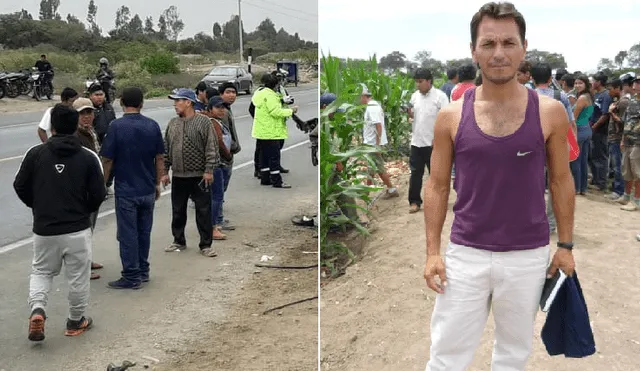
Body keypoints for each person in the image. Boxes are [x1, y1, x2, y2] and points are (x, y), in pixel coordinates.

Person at [423, 3, 576, 370]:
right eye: (488, 43)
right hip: (466, 253)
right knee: (446, 354)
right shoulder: (451, 116)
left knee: (513, 354)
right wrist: (432, 252)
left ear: (524, 48)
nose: (499, 53)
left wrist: (566, 245)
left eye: (509, 42)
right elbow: (438, 185)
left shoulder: (549, 112)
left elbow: (560, 180)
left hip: (528, 255)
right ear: (473, 50)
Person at [14, 104, 106, 341]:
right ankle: (75, 321)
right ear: (76, 126)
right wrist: (83, 211)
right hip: (77, 228)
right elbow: (99, 193)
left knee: (42, 271)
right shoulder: (88, 156)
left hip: (44, 229)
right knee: (78, 276)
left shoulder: (35, 154)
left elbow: (20, 186)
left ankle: (38, 310)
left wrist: (38, 206)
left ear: (52, 126)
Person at [99, 87, 166, 288]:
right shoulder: (152, 125)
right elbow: (160, 157)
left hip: (126, 190)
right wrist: (157, 182)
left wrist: (103, 184)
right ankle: (143, 271)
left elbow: (107, 159)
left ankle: (131, 276)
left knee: (128, 234)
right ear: (142, 103)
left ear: (121, 103)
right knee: (144, 232)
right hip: (147, 189)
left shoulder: (116, 127)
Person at [162, 88, 220, 257]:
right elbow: (167, 149)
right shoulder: (173, 123)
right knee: (178, 210)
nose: (175, 105)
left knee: (203, 211)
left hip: (200, 176)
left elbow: (211, 147)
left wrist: (209, 170)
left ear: (188, 102)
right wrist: (165, 171)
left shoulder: (203, 122)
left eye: (178, 101)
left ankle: (206, 244)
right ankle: (178, 240)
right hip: (179, 175)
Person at [531, 62, 576, 235]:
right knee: (557, 182)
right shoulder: (561, 96)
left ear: (532, 78)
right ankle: (550, 223)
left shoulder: (527, 96)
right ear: (550, 78)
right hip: (558, 144)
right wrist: (573, 145)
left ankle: (535, 219)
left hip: (534, 146)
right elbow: (571, 123)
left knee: (535, 183)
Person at [407, 68, 449, 213]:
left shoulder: (440, 97)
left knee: (436, 175)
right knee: (415, 174)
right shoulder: (414, 97)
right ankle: (414, 202)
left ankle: (438, 202)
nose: (417, 85)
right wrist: (409, 114)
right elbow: (413, 117)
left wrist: (440, 139)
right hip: (416, 141)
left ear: (429, 81)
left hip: (434, 143)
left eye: (420, 82)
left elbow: (446, 119)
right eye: (416, 82)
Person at [73, 97, 105, 280]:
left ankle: (87, 260)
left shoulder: (90, 132)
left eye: (89, 112)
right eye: (82, 114)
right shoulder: (75, 136)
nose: (86, 117)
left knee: (89, 228)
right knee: (82, 230)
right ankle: (81, 266)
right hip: (82, 190)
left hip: (94, 187)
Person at [251, 74, 297, 188]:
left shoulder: (259, 93)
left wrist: (281, 100)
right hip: (271, 131)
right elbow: (275, 112)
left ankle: (265, 179)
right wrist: (291, 111)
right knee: (274, 157)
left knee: (264, 157)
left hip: (261, 130)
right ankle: (277, 181)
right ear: (275, 85)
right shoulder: (270, 95)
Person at [359, 85, 399, 198]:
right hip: (372, 143)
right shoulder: (372, 106)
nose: (358, 100)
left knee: (378, 169)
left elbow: (378, 126)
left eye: (359, 97)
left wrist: (377, 145)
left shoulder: (372, 107)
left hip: (373, 144)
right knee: (373, 168)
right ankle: (367, 191)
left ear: (363, 96)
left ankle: (391, 190)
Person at [204, 96, 233, 240]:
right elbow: (219, 143)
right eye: (218, 107)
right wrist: (228, 156)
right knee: (217, 197)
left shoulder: (217, 121)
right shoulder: (213, 123)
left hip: (217, 163)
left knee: (214, 197)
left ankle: (212, 225)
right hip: (216, 164)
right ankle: (213, 227)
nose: (222, 110)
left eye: (223, 107)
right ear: (210, 109)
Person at [217, 82, 242, 230]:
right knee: (219, 189)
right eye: (228, 92)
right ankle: (217, 220)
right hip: (224, 156)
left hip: (228, 153)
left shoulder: (227, 110)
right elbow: (224, 136)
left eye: (234, 92)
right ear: (221, 94)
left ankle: (217, 217)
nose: (231, 95)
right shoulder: (222, 112)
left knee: (221, 189)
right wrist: (229, 152)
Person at [87, 83, 116, 193]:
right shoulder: (88, 109)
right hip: (94, 143)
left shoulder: (108, 108)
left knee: (111, 165)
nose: (99, 97)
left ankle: (107, 185)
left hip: (108, 142)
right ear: (90, 96)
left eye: (101, 94)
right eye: (96, 95)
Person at [570, 75, 594, 195]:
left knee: (575, 160)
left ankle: (576, 188)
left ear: (585, 84)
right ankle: (583, 188)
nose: (577, 85)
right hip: (587, 130)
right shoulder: (589, 96)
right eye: (575, 83)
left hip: (578, 131)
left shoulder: (581, 98)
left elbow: (573, 118)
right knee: (583, 161)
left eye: (580, 83)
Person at [589, 72, 612, 192]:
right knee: (593, 155)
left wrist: (595, 126)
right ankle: (595, 179)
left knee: (601, 156)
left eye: (593, 80)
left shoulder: (606, 95)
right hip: (593, 128)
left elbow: (605, 114)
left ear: (598, 82)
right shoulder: (596, 94)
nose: (592, 83)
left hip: (600, 130)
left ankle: (602, 183)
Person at [605, 78, 628, 201]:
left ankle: (619, 191)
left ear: (617, 88)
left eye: (611, 89)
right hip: (614, 137)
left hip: (618, 138)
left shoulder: (624, 102)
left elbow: (623, 122)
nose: (609, 92)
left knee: (618, 165)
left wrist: (611, 112)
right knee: (615, 165)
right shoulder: (618, 101)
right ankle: (616, 189)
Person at [620, 76, 640, 211]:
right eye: (636, 82)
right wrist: (622, 139)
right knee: (626, 169)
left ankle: (636, 200)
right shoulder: (632, 100)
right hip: (628, 139)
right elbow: (626, 120)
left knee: (638, 171)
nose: (636, 85)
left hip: (638, 141)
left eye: (638, 83)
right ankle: (626, 196)